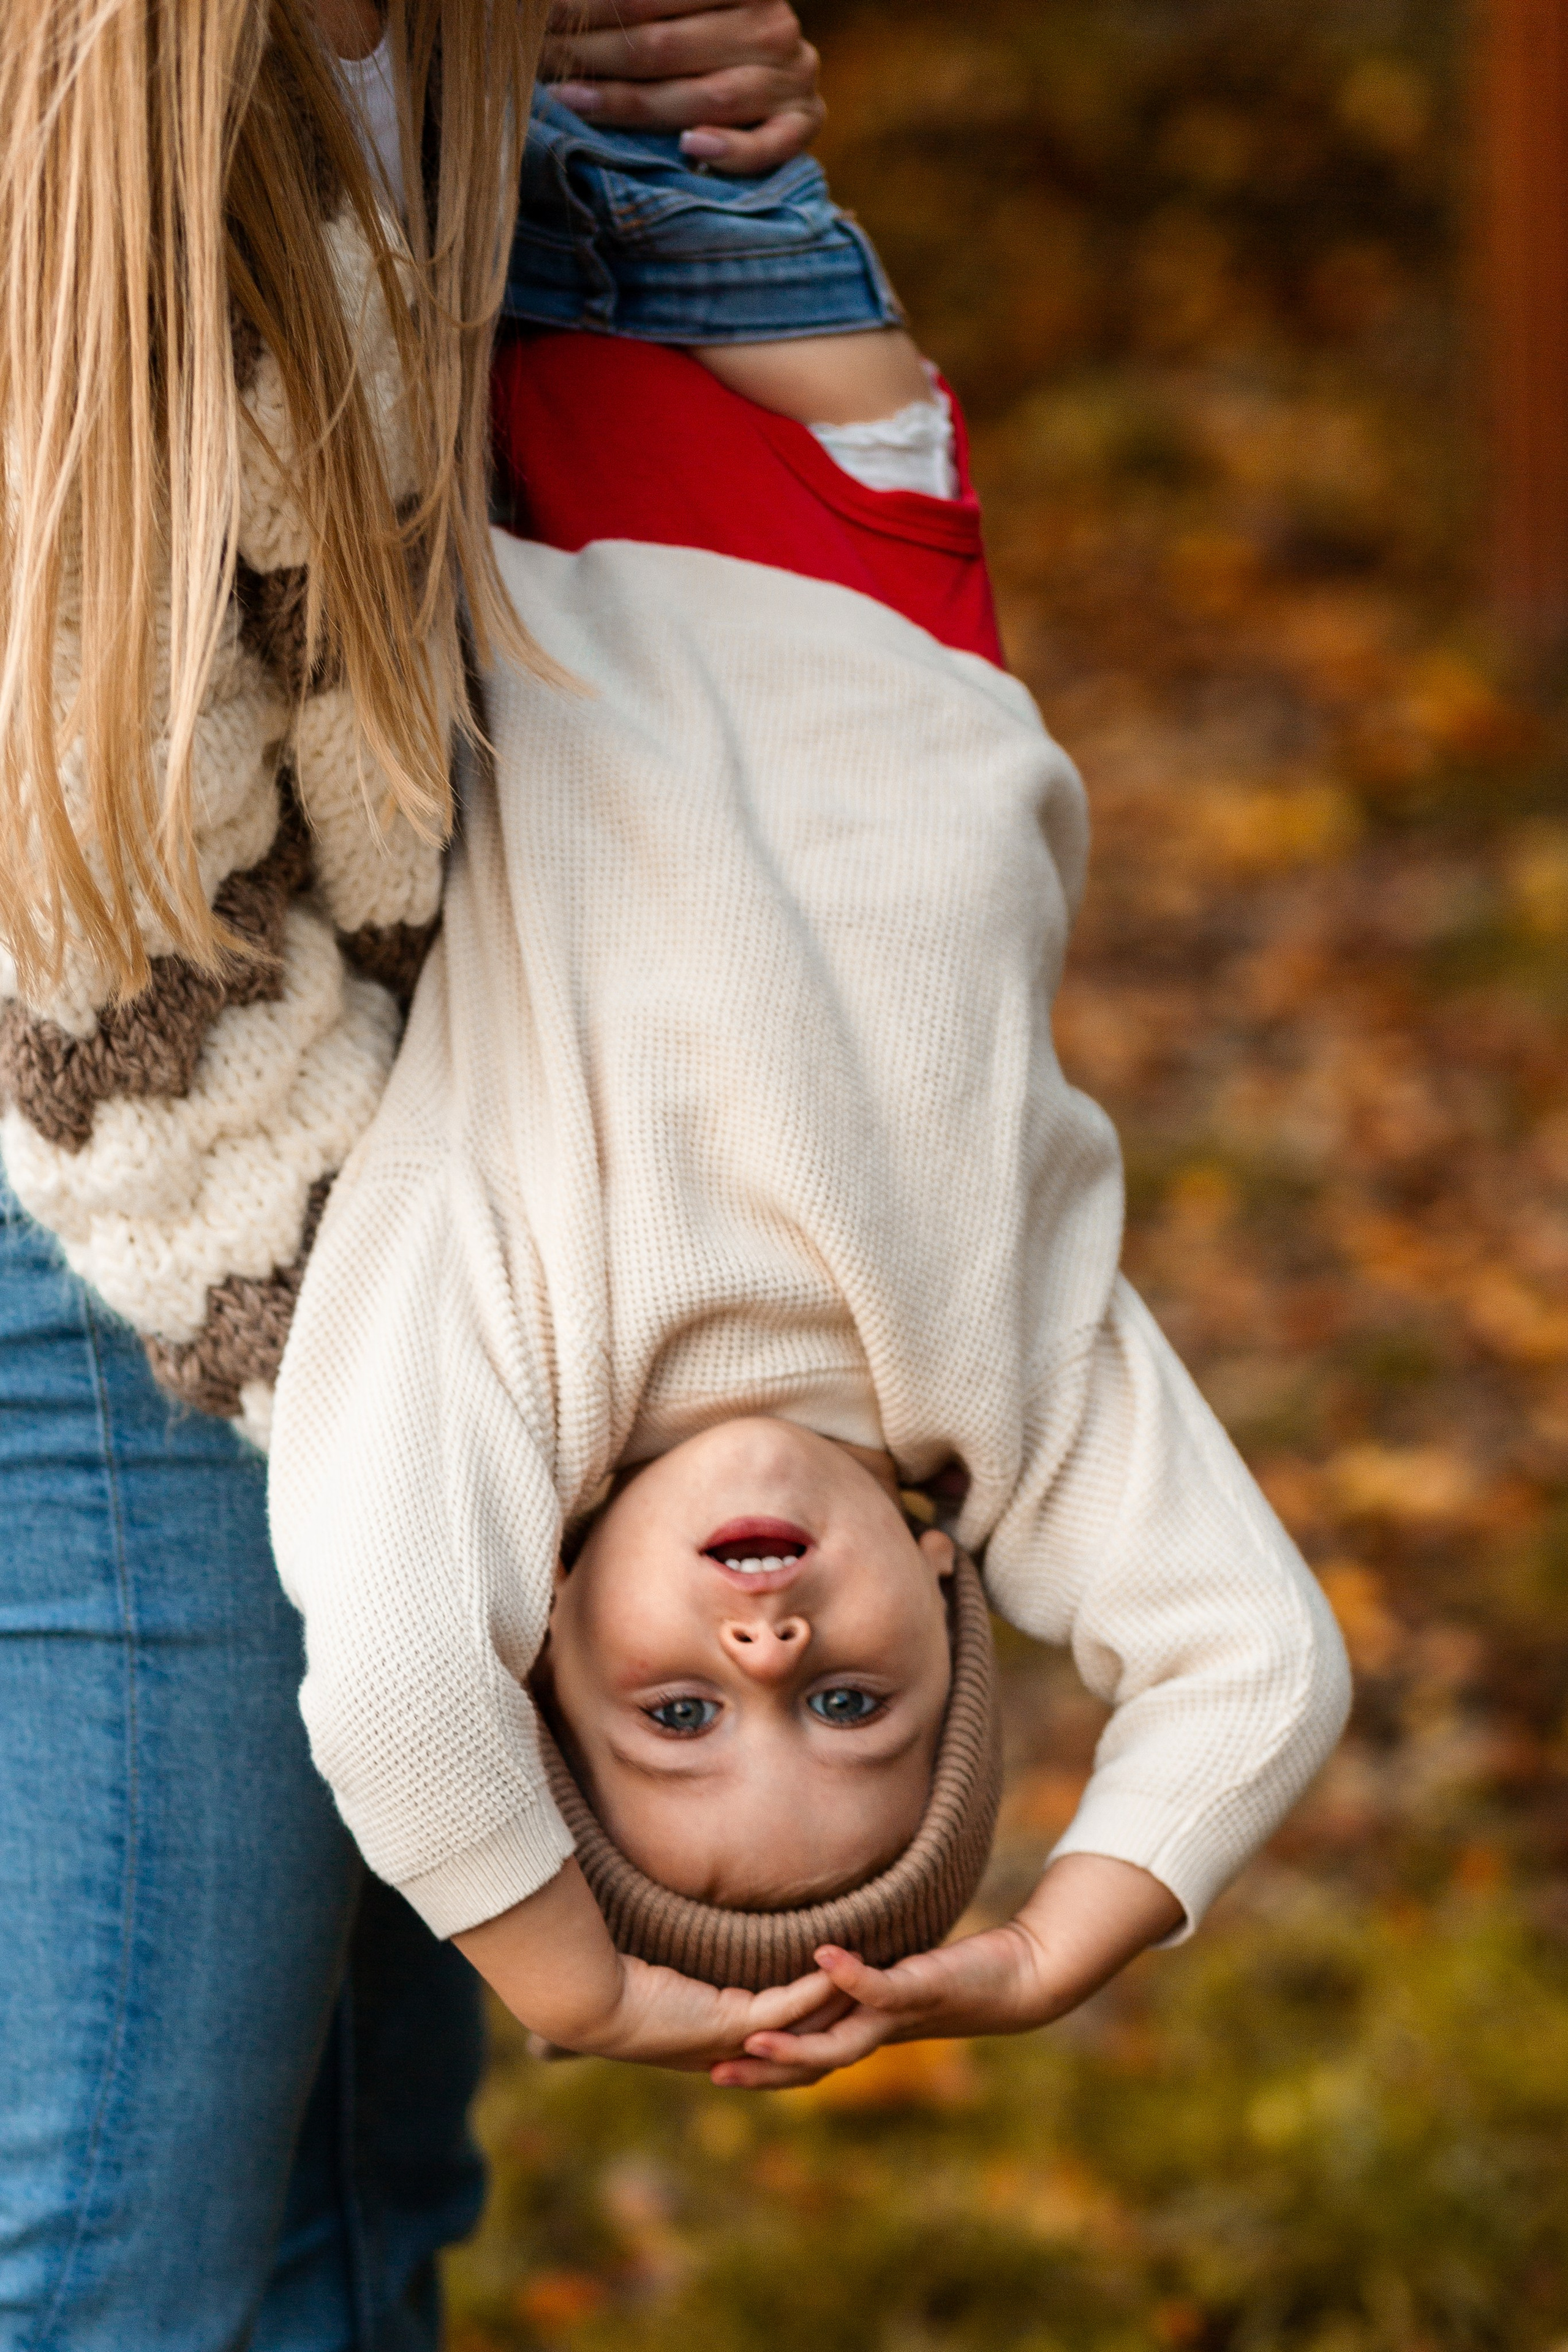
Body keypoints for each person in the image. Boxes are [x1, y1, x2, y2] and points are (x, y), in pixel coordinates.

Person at [268, 225, 1353, 2084]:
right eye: (852, 1706)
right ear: (948, 1603)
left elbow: (388, 1690)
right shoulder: (1007, 1405)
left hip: (507, 480)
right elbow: (1258, 1668)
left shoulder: (512, 1357)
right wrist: (1035, 1958)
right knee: (678, 65)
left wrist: (578, 1990)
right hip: (832, 509)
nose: (767, 1652)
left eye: (675, 1712)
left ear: (541, 1645)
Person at [0, 2, 826, 2343]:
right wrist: (476, 1446)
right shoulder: (80, 152)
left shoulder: (482, 43)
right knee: (119, 2246)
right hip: (131, 1227)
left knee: (351, 2207)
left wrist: (696, 198)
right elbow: (101, 1000)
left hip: (378, 1168)